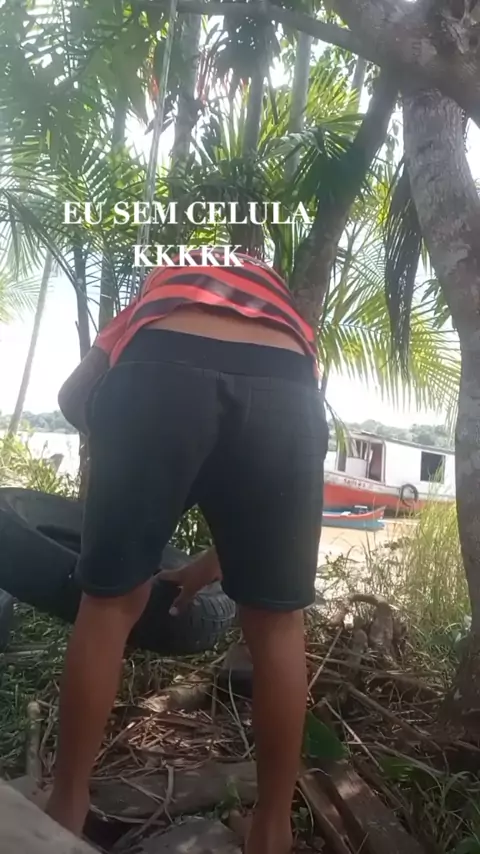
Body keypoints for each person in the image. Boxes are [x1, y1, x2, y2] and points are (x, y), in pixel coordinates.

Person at [47, 249, 328, 854]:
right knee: (279, 626)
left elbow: (72, 395)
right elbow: (252, 489)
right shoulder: (284, 315)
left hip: (158, 369)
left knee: (109, 606)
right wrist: (214, 561)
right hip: (288, 385)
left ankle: (64, 808)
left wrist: (120, 440)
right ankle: (272, 831)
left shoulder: (163, 289)